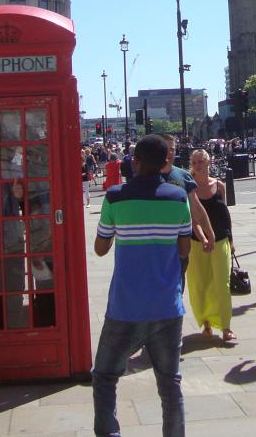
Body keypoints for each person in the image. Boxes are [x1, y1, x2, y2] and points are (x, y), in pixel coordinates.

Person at [92, 134, 193, 437]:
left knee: (105, 376)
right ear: (166, 163)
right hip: (167, 306)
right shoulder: (178, 198)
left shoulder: (115, 197)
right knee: (169, 384)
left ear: (134, 162)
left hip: (126, 306)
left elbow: (100, 248)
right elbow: (185, 249)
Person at [185, 149, 235, 342]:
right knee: (201, 284)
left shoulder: (219, 185)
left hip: (221, 238)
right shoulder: (189, 189)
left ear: (208, 161)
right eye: (195, 162)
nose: (198, 165)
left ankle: (226, 326)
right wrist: (204, 238)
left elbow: (225, 213)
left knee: (223, 283)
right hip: (197, 242)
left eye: (201, 161)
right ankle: (206, 322)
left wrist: (231, 239)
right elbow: (193, 218)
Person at [157, 133, 216, 287]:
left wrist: (209, 234)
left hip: (179, 246)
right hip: (153, 246)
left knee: (177, 290)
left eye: (172, 149)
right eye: (165, 149)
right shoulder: (146, 176)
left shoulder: (183, 176)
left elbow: (196, 207)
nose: (169, 153)